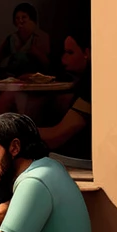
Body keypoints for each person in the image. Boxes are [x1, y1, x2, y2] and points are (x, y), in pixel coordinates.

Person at [39, 25, 92, 162]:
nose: (64, 58)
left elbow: (56, 137)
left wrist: (17, 130)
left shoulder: (91, 83)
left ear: (87, 53)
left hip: (78, 159)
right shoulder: (81, 81)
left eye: (70, 52)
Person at [0, 3, 51, 78]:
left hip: (34, 76)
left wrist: (36, 53)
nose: (20, 21)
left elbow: (46, 63)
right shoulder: (12, 38)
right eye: (17, 18)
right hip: (12, 76)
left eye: (24, 17)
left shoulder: (40, 36)